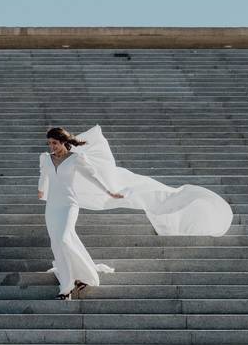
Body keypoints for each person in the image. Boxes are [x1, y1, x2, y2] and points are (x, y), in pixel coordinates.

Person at [38, 125, 233, 300]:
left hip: (69, 205)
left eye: (55, 143)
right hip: (52, 207)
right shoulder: (46, 159)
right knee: (58, 243)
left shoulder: (76, 159)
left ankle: (66, 288)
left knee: (64, 238)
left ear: (64, 142)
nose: (52, 146)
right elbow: (44, 176)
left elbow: (92, 176)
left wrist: (108, 191)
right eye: (50, 143)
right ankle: (72, 279)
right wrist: (41, 190)